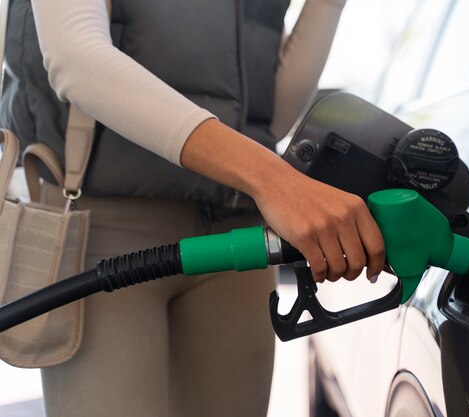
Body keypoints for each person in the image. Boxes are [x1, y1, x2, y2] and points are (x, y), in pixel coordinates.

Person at [1, 0, 385, 416]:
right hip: (105, 229)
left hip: (236, 234)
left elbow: (263, 116)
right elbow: (75, 57)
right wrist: (275, 179)